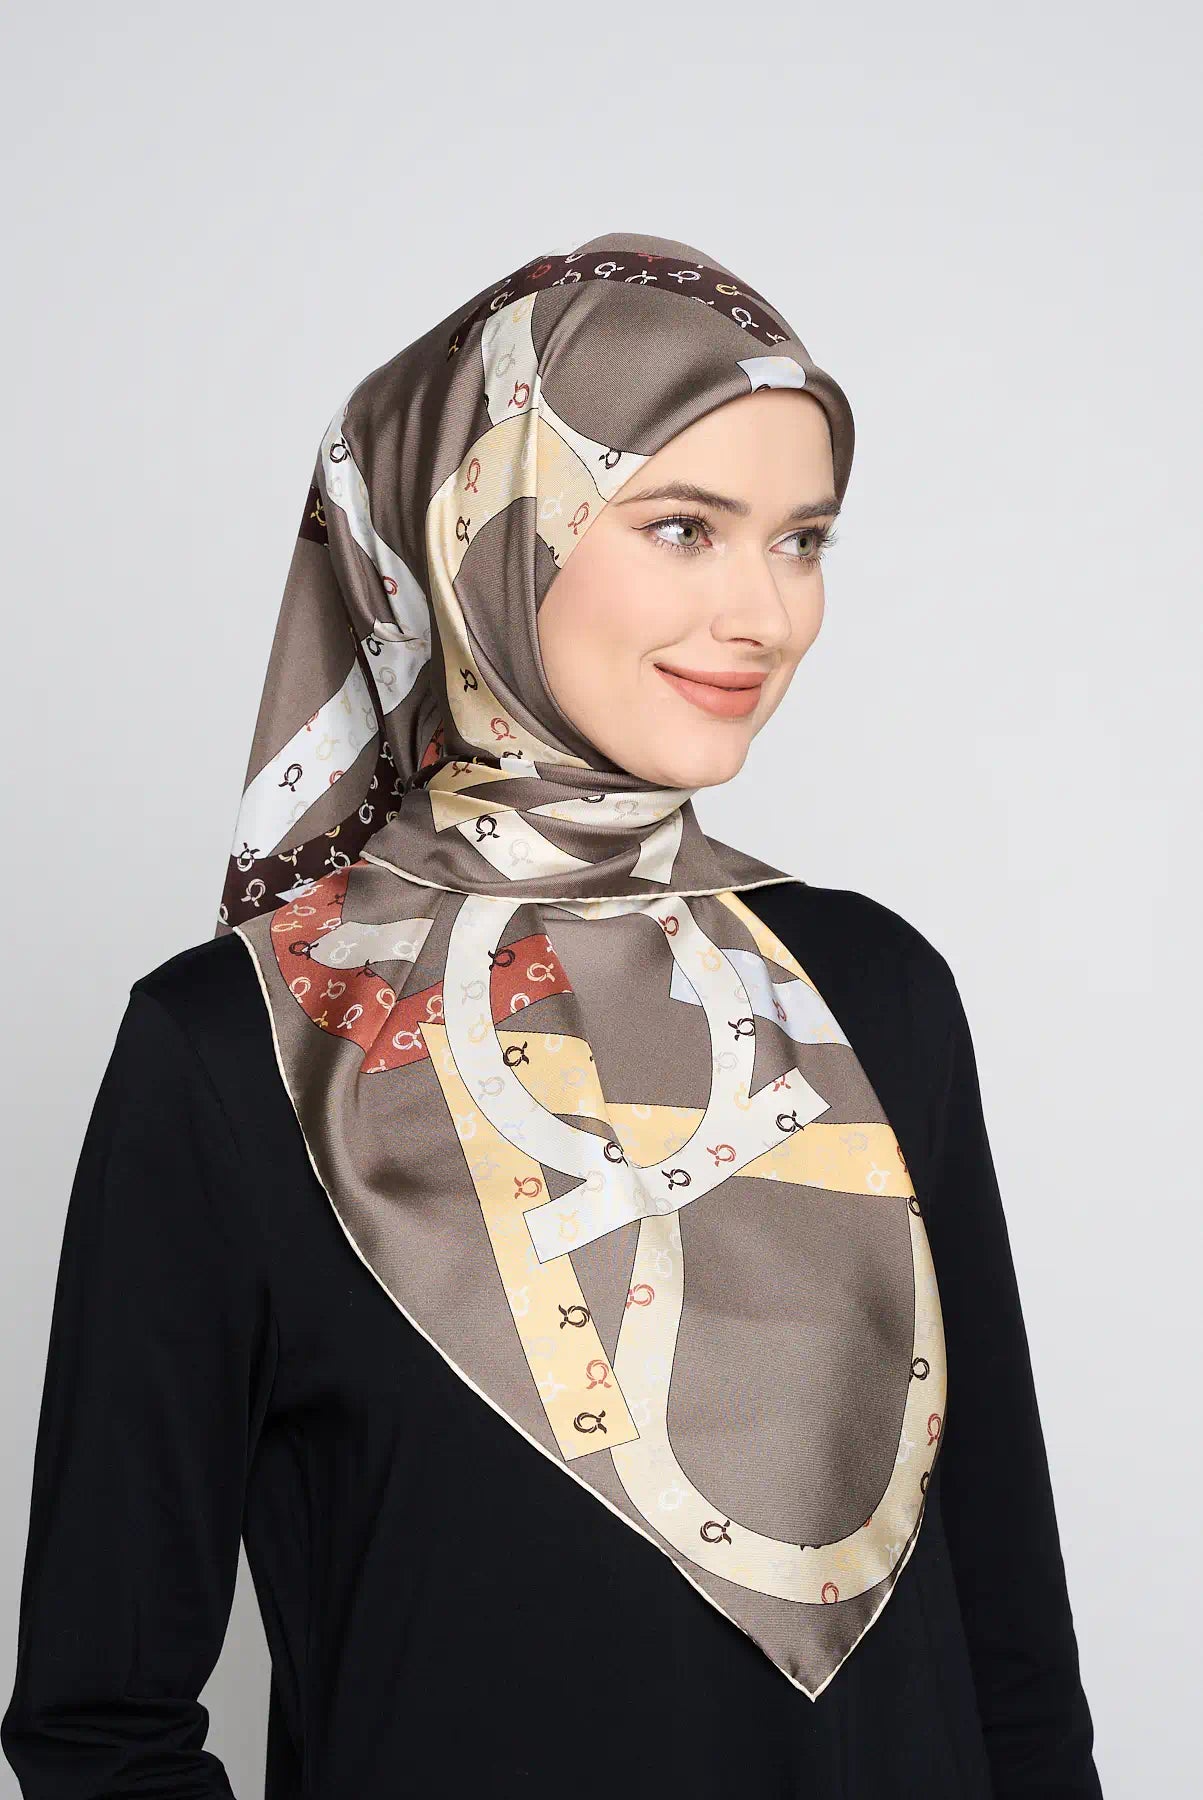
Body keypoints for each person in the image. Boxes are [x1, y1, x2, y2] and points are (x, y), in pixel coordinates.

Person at [1, 231, 1103, 1798]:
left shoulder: (874, 994)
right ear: (485, 535)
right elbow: (100, 1722)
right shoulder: (239, 1046)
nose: (765, 613)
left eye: (802, 541)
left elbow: (1010, 1655)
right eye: (683, 527)